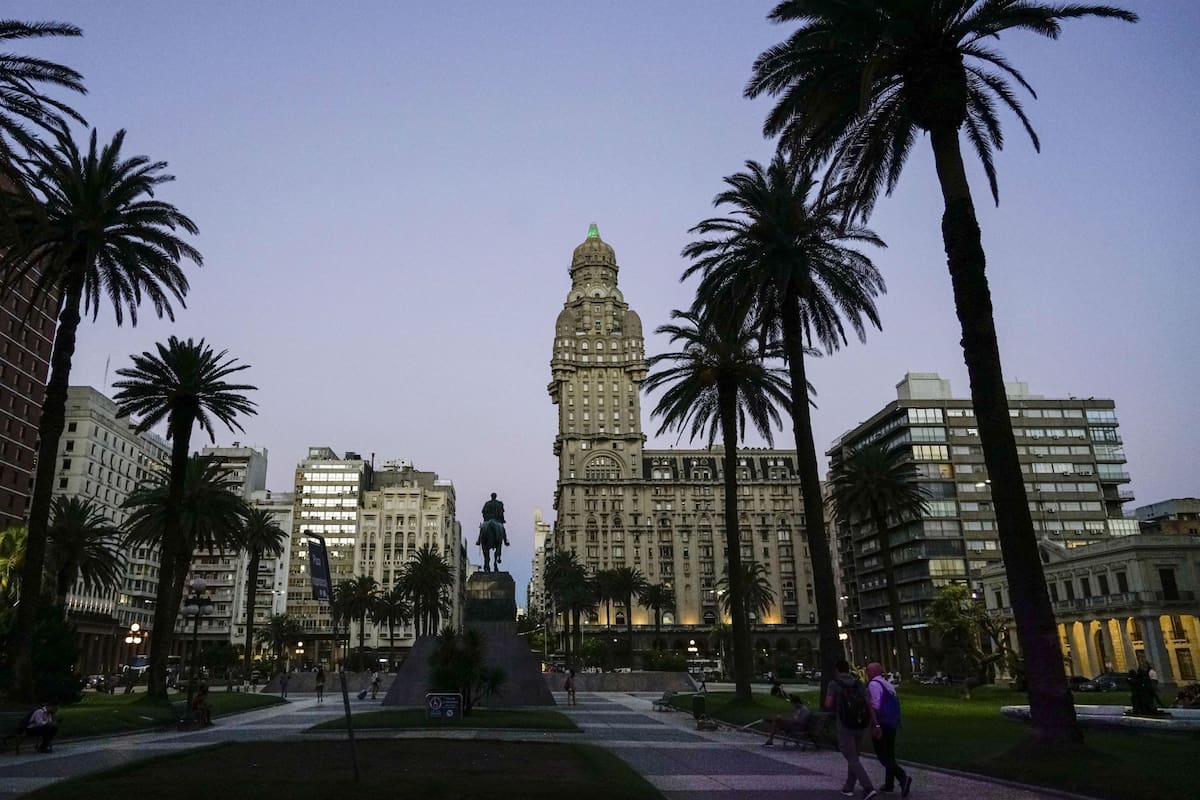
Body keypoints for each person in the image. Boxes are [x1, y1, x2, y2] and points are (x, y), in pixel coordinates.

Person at [825, 659, 879, 800]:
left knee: (851, 757)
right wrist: (875, 723)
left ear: (837, 670)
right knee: (854, 756)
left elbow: (828, 703)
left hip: (845, 724)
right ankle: (849, 786)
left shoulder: (834, 684)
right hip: (861, 724)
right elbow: (868, 703)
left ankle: (868, 787)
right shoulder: (858, 683)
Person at [867, 662, 913, 797]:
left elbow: (874, 706)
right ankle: (889, 784)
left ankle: (902, 777)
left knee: (882, 755)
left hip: (882, 723)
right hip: (891, 723)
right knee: (889, 754)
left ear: (875, 672)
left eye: (869, 670)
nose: (867, 672)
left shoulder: (874, 685)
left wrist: (875, 725)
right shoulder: (888, 685)